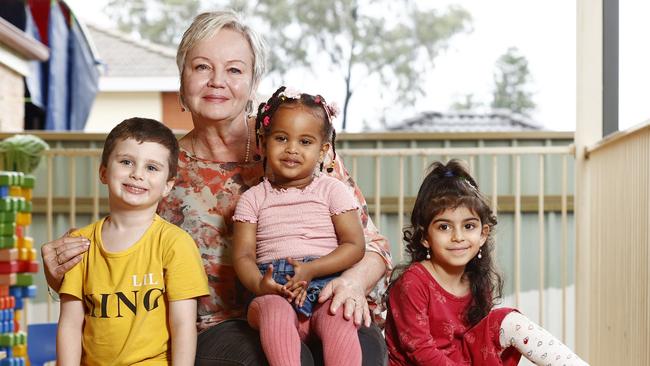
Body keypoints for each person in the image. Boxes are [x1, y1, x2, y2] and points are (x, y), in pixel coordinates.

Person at [41, 10, 392, 365]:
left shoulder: (301, 146)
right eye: (202, 67)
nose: (217, 81)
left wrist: (350, 284)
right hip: (222, 328)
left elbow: (374, 247)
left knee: (357, 342)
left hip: (321, 300)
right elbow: (123, 264)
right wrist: (65, 274)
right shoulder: (161, 168)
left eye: (234, 70)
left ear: (253, 83)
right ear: (182, 79)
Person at [384, 159, 588, 366]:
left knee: (509, 321)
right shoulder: (413, 283)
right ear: (425, 237)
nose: (458, 237)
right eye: (444, 227)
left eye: (469, 226)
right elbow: (420, 351)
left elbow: (481, 346)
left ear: (483, 234)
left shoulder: (474, 281)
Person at [55, 118, 209, 365]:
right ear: (104, 172)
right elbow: (71, 325)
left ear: (168, 185)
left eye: (152, 168)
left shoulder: (175, 244)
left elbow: (182, 325)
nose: (137, 174)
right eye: (126, 162)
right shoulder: (79, 243)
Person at [233, 86, 366, 366]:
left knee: (340, 316)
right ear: (263, 142)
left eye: (305, 142)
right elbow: (243, 255)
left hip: (324, 283)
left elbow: (355, 245)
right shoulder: (253, 199)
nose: (292, 149)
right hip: (272, 289)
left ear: (323, 151)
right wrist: (260, 284)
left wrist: (313, 269)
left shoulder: (333, 191)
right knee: (276, 312)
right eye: (281, 138)